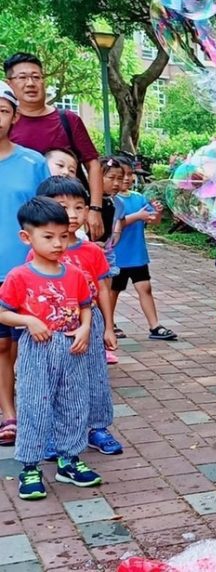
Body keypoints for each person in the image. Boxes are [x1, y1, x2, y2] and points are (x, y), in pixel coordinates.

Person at [0, 197, 100, 500]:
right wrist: (29, 321)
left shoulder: (74, 275)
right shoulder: (20, 276)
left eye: (63, 236)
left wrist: (85, 328)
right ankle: (30, 466)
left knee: (74, 404)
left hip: (72, 349)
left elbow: (86, 306)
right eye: (48, 237)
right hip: (38, 350)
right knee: (35, 405)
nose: (58, 244)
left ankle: (68, 460)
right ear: (26, 237)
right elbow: (3, 312)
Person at [34, 176, 122, 456]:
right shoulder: (38, 251)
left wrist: (108, 327)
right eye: (62, 206)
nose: (72, 215)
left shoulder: (92, 252)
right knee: (54, 380)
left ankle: (97, 427)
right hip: (52, 328)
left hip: (90, 322)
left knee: (95, 376)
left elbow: (104, 291)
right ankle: (53, 433)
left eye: (79, 207)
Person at [5, 53, 104, 238]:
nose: (30, 83)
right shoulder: (5, 123)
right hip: (18, 214)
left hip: (66, 219)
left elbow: (93, 163)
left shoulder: (68, 120)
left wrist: (95, 209)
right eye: (22, 77)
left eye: (36, 77)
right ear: (9, 83)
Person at [0, 81, 50, 447]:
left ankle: (39, 411)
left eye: (3, 110)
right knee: (2, 346)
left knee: (36, 347)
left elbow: (52, 215)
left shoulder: (34, 162)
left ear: (14, 116)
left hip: (30, 272)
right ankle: (9, 414)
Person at [110, 161, 177, 341]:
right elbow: (117, 224)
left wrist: (157, 212)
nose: (126, 179)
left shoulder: (138, 197)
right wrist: (138, 216)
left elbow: (152, 220)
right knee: (113, 291)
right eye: (120, 175)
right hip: (116, 256)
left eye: (130, 174)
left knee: (145, 287)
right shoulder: (111, 200)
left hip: (137, 254)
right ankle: (109, 324)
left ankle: (154, 326)